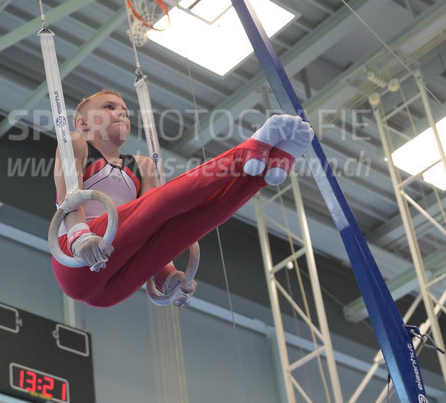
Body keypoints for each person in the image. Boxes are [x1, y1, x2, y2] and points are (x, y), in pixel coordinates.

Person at [52, 88, 314, 308]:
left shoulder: (142, 166)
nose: (121, 112)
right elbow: (69, 197)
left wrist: (167, 277)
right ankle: (245, 152)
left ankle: (262, 174)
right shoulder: (76, 143)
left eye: (124, 110)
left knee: (194, 220)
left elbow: (152, 230)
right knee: (162, 203)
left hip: (114, 283)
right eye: (109, 107)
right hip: (76, 256)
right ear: (83, 123)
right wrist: (79, 237)